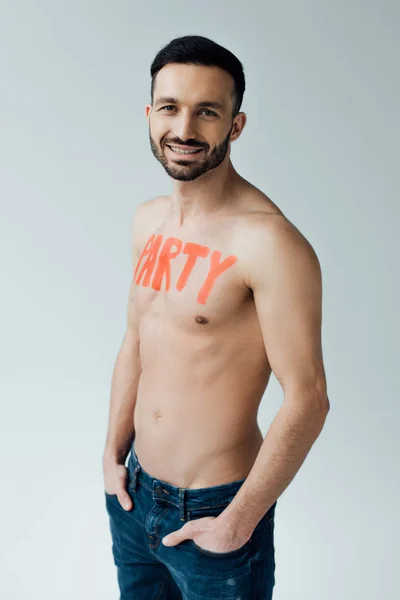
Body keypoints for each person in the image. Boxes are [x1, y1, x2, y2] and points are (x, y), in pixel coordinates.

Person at [102, 34, 330, 600]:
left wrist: (240, 518)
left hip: (216, 511)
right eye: (170, 107)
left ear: (236, 125)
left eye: (207, 111)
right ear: (149, 113)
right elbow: (136, 340)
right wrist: (111, 456)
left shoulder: (270, 243)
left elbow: (308, 397)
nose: (184, 129)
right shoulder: (147, 221)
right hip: (133, 494)